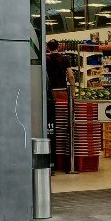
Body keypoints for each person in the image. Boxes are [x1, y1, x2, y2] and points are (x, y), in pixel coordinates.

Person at [45, 39, 73, 169]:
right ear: (59, 47)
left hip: (49, 93)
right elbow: (71, 75)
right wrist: (73, 90)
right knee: (63, 121)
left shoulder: (46, 59)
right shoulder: (64, 59)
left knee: (52, 121)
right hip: (62, 92)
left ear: (48, 48)